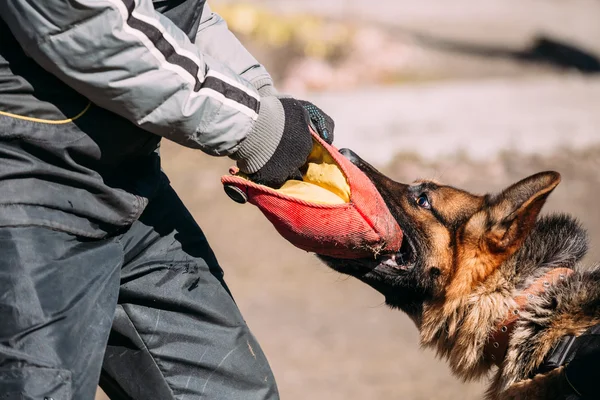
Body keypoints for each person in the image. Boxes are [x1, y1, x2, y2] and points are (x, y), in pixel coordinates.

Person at [0, 0, 333, 399]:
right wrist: (255, 127)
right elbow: (90, 29)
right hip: (25, 186)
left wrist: (261, 97)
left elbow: (176, 11)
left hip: (130, 186)